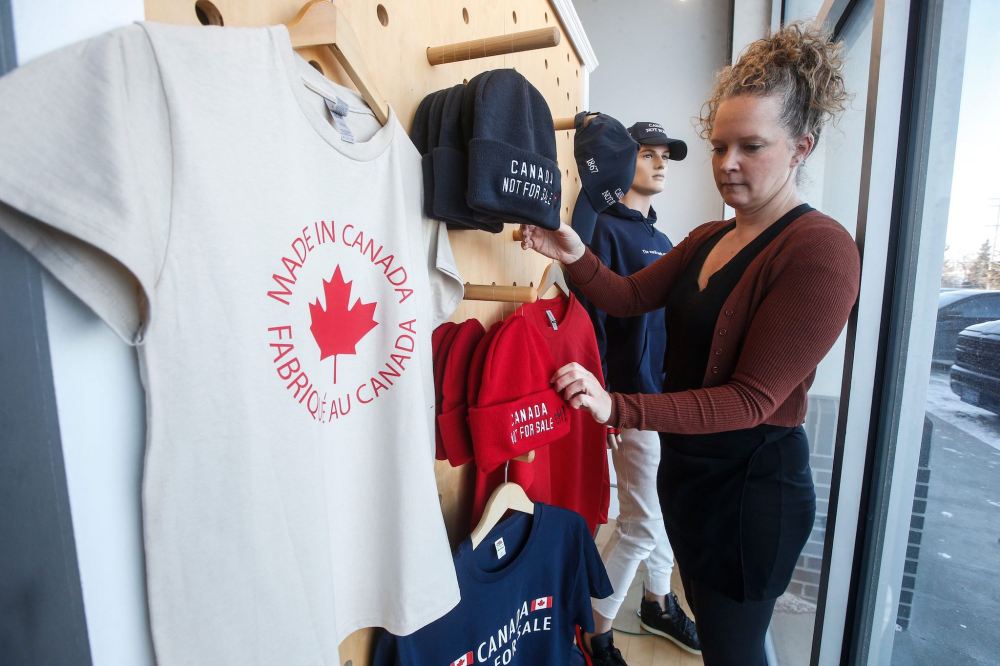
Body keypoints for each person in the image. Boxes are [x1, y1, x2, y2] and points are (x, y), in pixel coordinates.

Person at [521, 22, 859, 666]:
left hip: (750, 494)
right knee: (721, 641)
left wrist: (619, 407)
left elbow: (749, 400)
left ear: (801, 147)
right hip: (691, 477)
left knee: (734, 652)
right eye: (719, 145)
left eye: (751, 146)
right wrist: (575, 253)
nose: (727, 163)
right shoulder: (708, 236)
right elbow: (627, 297)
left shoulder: (820, 251)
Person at [575, 121, 701, 665]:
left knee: (662, 511)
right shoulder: (601, 228)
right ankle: (595, 631)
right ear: (625, 163)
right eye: (647, 155)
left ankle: (657, 603)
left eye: (665, 156)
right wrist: (606, 400)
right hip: (628, 400)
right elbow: (594, 316)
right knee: (641, 523)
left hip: (667, 399)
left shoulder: (663, 241)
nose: (659, 164)